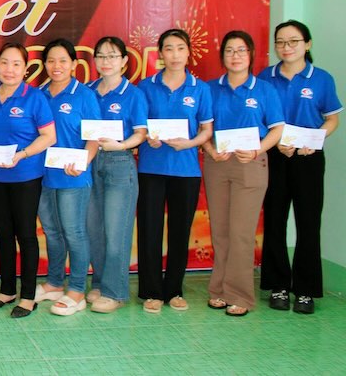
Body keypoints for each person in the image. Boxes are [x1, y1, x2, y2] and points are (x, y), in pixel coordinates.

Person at [258, 20, 341, 314]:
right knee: (275, 220)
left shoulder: (321, 79)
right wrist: (274, 141)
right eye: (280, 42)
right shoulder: (265, 77)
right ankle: (278, 286)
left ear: (307, 44)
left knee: (308, 223)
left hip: (308, 156)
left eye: (293, 41)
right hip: (275, 156)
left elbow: (332, 118)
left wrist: (316, 139)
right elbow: (259, 117)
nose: (286, 47)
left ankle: (305, 290)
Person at [201, 31, 284, 316]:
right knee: (221, 231)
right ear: (222, 56)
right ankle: (219, 290)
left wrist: (259, 150)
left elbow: (277, 129)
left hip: (250, 164)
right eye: (229, 51)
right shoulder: (210, 89)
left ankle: (240, 294)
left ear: (251, 55)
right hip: (217, 164)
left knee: (242, 233)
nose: (235, 56)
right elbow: (204, 129)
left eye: (241, 50)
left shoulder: (264, 90)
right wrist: (210, 151)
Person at [0, 42, 56, 319]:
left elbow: (49, 137)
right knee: (2, 233)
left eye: (16, 64)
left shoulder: (34, 98)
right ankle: (7, 289)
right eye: (4, 63)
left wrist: (22, 155)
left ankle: (29, 295)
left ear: (25, 69)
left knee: (25, 234)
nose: (9, 69)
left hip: (25, 175)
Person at [136, 28, 213, 313]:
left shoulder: (200, 88)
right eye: (169, 48)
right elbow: (139, 128)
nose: (175, 54)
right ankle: (151, 292)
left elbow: (207, 130)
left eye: (180, 48)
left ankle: (175, 290)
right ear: (161, 54)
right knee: (150, 230)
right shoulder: (146, 87)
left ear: (189, 52)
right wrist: (148, 137)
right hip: (151, 168)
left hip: (186, 169)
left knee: (180, 231)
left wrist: (190, 143)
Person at [35, 39, 100, 316]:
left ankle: (76, 290)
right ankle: (54, 283)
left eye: (63, 60)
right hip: (42, 175)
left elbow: (94, 137)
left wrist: (83, 162)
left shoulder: (84, 95)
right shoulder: (38, 93)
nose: (56, 66)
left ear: (74, 64)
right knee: (51, 231)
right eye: (51, 60)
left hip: (74, 177)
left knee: (74, 232)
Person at [86, 37, 148, 313]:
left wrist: (120, 145)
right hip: (90, 163)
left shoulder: (133, 94)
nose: (106, 61)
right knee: (94, 230)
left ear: (124, 61)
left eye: (112, 56)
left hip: (119, 163)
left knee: (116, 231)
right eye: (101, 56)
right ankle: (99, 283)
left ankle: (115, 291)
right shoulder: (87, 91)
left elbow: (141, 133)